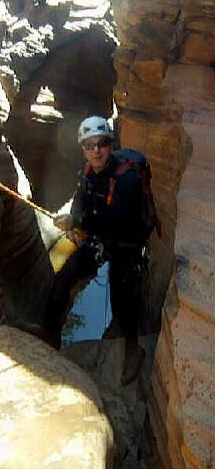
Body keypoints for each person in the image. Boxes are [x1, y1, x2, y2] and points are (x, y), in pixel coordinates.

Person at [43, 115, 149, 386]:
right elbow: (81, 202)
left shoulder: (127, 180)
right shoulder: (88, 173)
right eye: (89, 145)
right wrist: (73, 219)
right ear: (83, 149)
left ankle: (133, 349)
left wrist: (77, 222)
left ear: (110, 145)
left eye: (101, 143)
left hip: (126, 244)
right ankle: (48, 336)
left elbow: (117, 218)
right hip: (100, 239)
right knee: (62, 279)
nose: (96, 150)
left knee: (122, 299)